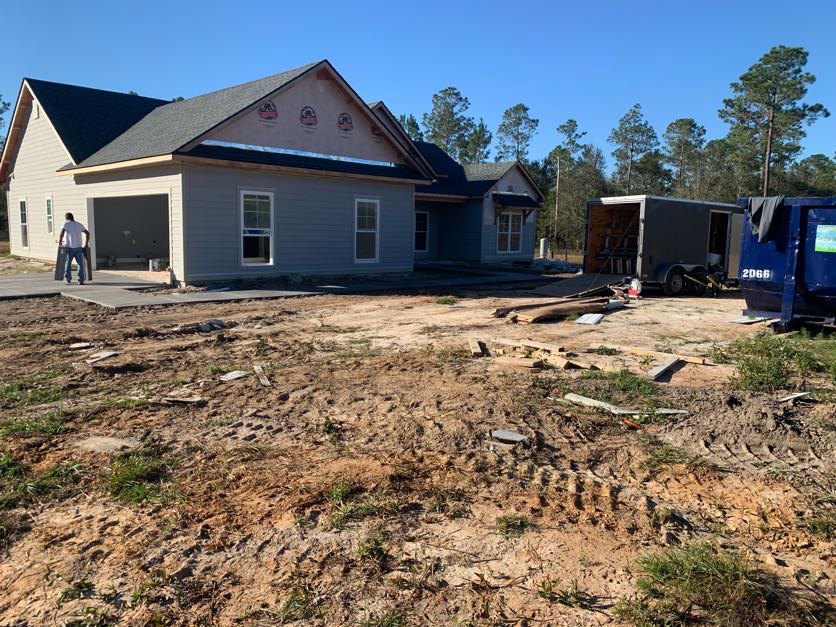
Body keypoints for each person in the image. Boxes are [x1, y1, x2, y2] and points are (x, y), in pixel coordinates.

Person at [57, 213, 90, 285]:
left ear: (66, 218)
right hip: (79, 247)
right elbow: (87, 233)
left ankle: (68, 279)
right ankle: (81, 280)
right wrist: (86, 243)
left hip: (69, 247)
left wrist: (60, 241)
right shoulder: (79, 224)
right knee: (80, 264)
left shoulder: (66, 223)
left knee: (68, 263)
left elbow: (62, 233)